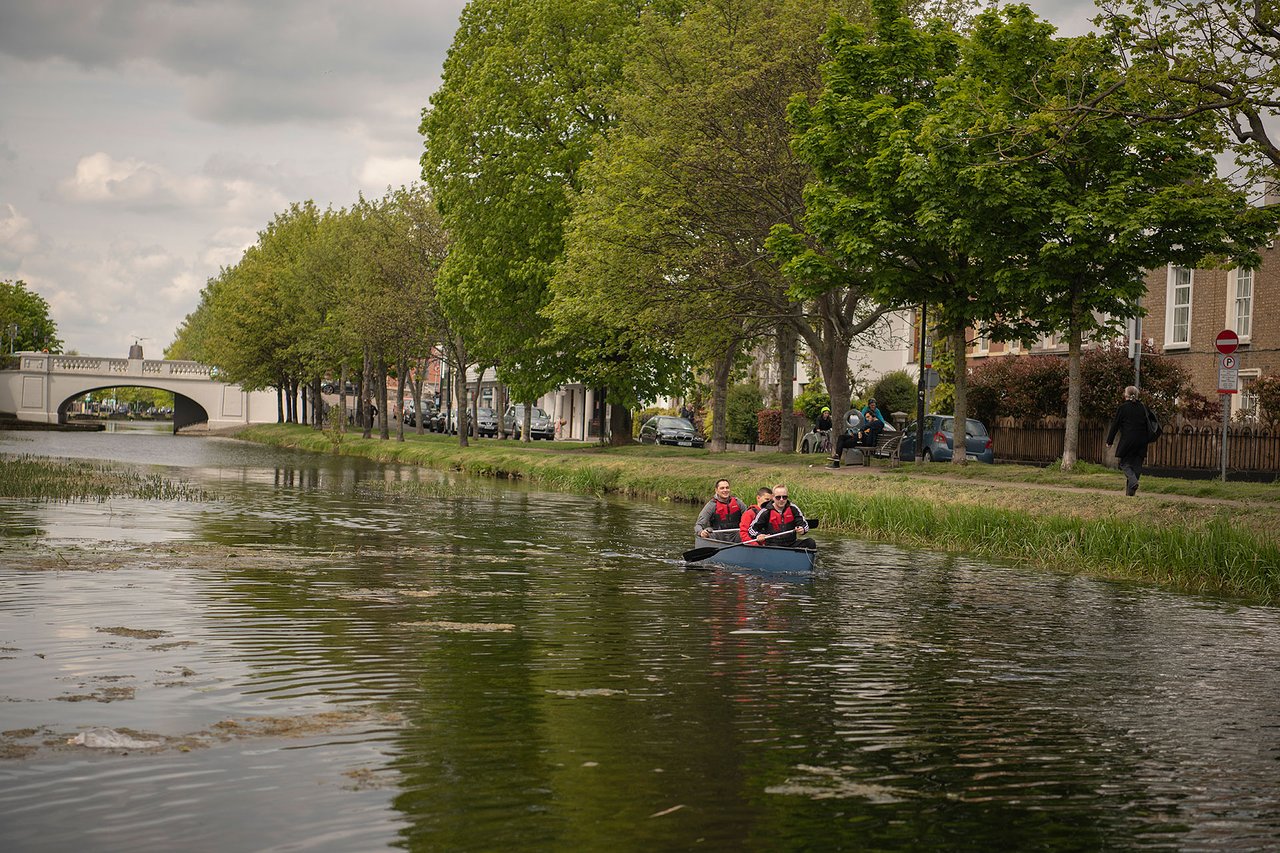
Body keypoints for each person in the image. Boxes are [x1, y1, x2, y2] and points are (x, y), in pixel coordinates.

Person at [1106, 385, 1151, 496]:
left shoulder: (1123, 408)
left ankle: (1133, 482)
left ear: (1125, 395)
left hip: (1128, 441)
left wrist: (1109, 441)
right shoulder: (1143, 407)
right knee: (1136, 466)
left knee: (1124, 464)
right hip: (1142, 441)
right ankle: (1130, 495)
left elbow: (1115, 425)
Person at [748, 485, 816, 549]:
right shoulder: (765, 511)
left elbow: (805, 525)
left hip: (791, 544)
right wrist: (758, 535)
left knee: (810, 542)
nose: (781, 499)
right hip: (772, 545)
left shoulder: (793, 509)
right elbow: (751, 529)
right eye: (778, 497)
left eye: (784, 497)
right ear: (773, 497)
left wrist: (802, 529)